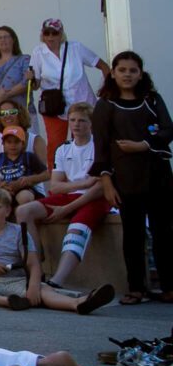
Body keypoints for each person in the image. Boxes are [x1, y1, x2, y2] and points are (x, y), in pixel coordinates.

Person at [0, 187, 114, 314]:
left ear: (8, 210)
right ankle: (5, 302)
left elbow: (33, 264)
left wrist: (33, 286)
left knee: (44, 290)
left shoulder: (19, 231)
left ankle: (80, 303)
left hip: (16, 281)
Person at [89, 50, 173, 304]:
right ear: (112, 73)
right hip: (126, 180)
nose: (127, 74)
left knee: (165, 233)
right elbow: (101, 146)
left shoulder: (152, 99)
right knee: (133, 235)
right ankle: (136, 287)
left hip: (158, 177)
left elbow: (168, 129)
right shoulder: (105, 106)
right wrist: (106, 182)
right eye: (122, 70)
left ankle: (169, 286)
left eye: (132, 70)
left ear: (140, 74)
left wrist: (142, 145)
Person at [15, 102, 110, 291]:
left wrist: (67, 209)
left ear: (91, 124)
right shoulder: (63, 149)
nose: (76, 124)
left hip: (94, 199)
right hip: (72, 194)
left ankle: (57, 280)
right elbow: (56, 186)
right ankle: (36, 269)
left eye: (82, 121)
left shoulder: (100, 146)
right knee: (24, 211)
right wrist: (83, 182)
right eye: (73, 120)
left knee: (76, 230)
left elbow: (100, 188)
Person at [29, 18, 110, 170]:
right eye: (47, 33)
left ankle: (88, 177)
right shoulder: (38, 52)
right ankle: (56, 182)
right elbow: (35, 84)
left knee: (86, 142)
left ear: (61, 34)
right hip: (54, 106)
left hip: (83, 103)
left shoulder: (76, 47)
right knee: (55, 144)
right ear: (42, 35)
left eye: (55, 33)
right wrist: (31, 79)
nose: (51, 37)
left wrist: (105, 93)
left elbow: (103, 66)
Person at [0, 126, 49, 206]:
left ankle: (23, 216)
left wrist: (29, 179)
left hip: (24, 188)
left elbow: (47, 174)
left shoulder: (29, 157)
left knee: (25, 197)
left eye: (16, 142)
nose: (13, 145)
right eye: (9, 142)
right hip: (3, 188)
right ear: (3, 144)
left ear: (23, 143)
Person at [0, 100, 48, 164]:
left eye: (12, 112)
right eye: (2, 113)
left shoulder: (36, 140)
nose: (7, 116)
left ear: (20, 114)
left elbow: (44, 172)